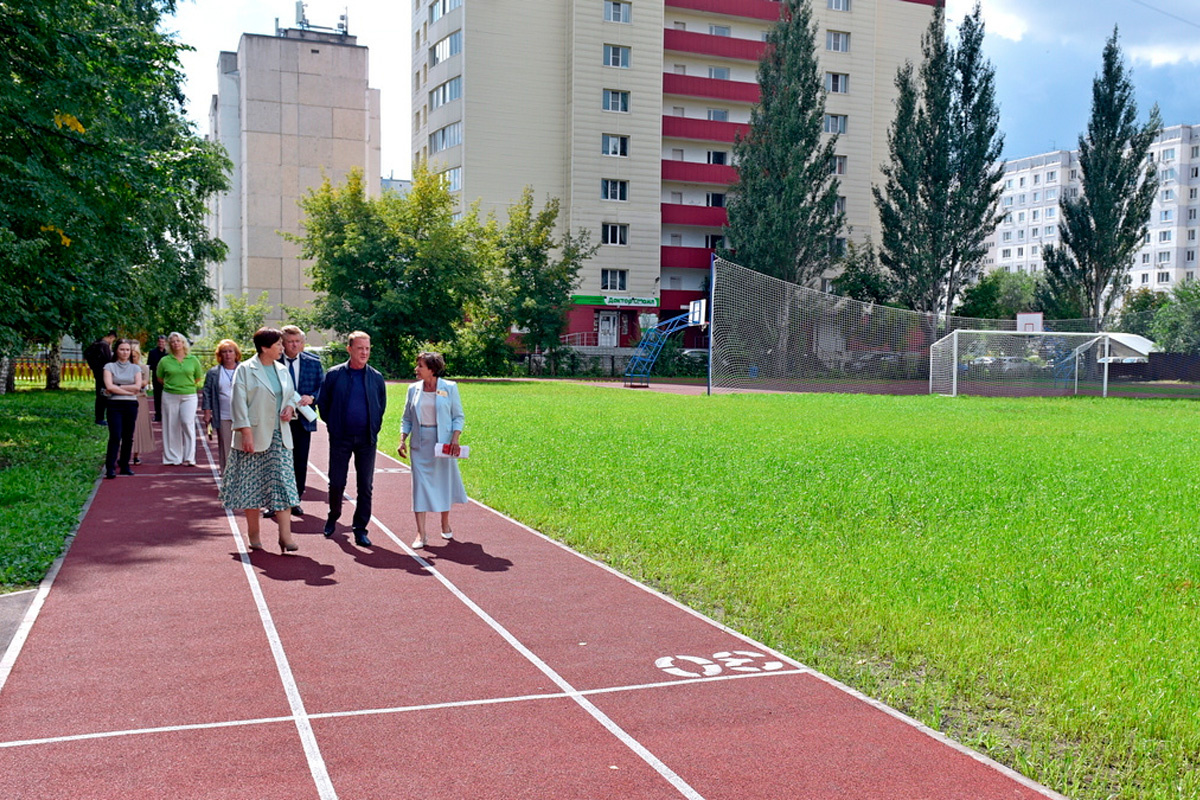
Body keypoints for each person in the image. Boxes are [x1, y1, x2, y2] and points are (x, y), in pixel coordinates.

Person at [218, 327, 301, 554]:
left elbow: (291, 395)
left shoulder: (282, 370)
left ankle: (286, 536)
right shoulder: (245, 369)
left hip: (280, 436)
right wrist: (245, 432)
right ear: (265, 348)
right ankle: (253, 534)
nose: (282, 348)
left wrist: (290, 408)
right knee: (251, 488)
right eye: (278, 345)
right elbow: (238, 402)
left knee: (283, 485)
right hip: (253, 436)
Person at [317, 331, 386, 547]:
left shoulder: (376, 377)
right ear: (349, 349)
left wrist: (373, 428)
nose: (364, 352)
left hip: (366, 439)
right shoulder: (334, 375)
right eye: (360, 348)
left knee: (365, 486)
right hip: (341, 438)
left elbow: (380, 406)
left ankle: (360, 529)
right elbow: (324, 405)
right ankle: (333, 515)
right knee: (337, 482)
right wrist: (335, 426)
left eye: (367, 348)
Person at [398, 351, 467, 549]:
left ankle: (444, 523)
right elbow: (407, 418)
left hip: (443, 443)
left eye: (420, 366)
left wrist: (455, 438)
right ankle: (421, 533)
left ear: (432, 369)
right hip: (419, 444)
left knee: (443, 483)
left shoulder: (450, 387)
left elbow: (458, 416)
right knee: (419, 487)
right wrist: (402, 439)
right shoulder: (413, 389)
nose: (416, 369)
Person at [264, 325, 323, 518]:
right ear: (283, 343)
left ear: (303, 343)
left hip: (303, 420)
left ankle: (295, 500)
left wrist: (312, 398)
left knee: (299, 461)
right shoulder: (272, 362)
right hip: (278, 419)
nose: (294, 345)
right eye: (290, 342)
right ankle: (273, 502)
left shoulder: (313, 363)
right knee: (276, 460)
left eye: (297, 341)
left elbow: (322, 388)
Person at [156, 332, 205, 466]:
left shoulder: (193, 359)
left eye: (178, 341)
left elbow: (197, 377)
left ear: (183, 343)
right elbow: (160, 378)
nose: (176, 343)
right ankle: (173, 457)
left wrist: (185, 385)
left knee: (187, 422)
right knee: (171, 425)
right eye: (172, 341)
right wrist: (171, 385)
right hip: (169, 395)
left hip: (189, 395)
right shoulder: (164, 360)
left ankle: (189, 457)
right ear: (169, 344)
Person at [101, 339, 145, 479]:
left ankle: (125, 466)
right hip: (114, 405)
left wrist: (117, 387)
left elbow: (137, 387)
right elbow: (109, 386)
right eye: (122, 349)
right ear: (116, 351)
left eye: (127, 350)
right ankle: (110, 468)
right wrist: (127, 390)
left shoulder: (135, 368)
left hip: (131, 405)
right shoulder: (109, 367)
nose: (125, 352)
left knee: (128, 437)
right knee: (115, 436)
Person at [201, 340, 241, 473]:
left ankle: (240, 473)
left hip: (241, 414)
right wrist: (207, 412)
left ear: (236, 354)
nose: (228, 355)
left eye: (231, 351)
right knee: (226, 445)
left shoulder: (244, 370)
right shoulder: (213, 372)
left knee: (241, 445)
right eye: (224, 352)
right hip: (222, 414)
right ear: (220, 355)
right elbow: (207, 393)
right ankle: (226, 473)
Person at [129, 341, 155, 465]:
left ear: (138, 356)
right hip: (125, 398)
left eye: (134, 356)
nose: (131, 358)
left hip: (140, 398)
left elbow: (144, 383)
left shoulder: (143, 367)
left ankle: (136, 454)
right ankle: (124, 453)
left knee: (139, 427)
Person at [84, 330, 117, 425]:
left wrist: (93, 366)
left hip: (98, 372)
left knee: (100, 394)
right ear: (111, 337)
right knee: (103, 395)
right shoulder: (104, 345)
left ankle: (100, 417)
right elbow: (109, 360)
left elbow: (87, 353)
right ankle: (100, 418)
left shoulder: (95, 344)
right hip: (104, 373)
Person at [146, 334, 168, 422]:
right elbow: (149, 365)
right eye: (159, 342)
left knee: (166, 397)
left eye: (163, 342)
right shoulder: (152, 352)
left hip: (167, 378)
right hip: (156, 377)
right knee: (157, 397)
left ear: (165, 343)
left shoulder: (168, 353)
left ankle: (166, 415)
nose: (161, 343)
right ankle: (158, 415)